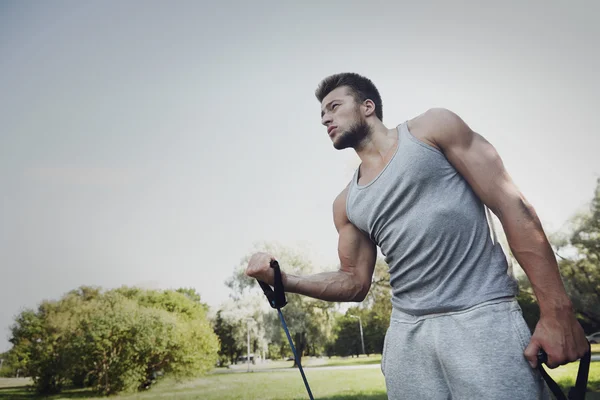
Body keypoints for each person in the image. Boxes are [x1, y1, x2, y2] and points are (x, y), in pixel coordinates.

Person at [245, 72, 589, 399]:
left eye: (334, 106)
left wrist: (556, 310)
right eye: (321, 114)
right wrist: (284, 279)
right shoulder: (347, 203)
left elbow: (512, 206)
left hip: (482, 317)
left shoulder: (432, 129)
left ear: (368, 106)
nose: (324, 118)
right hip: (408, 337)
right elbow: (353, 281)